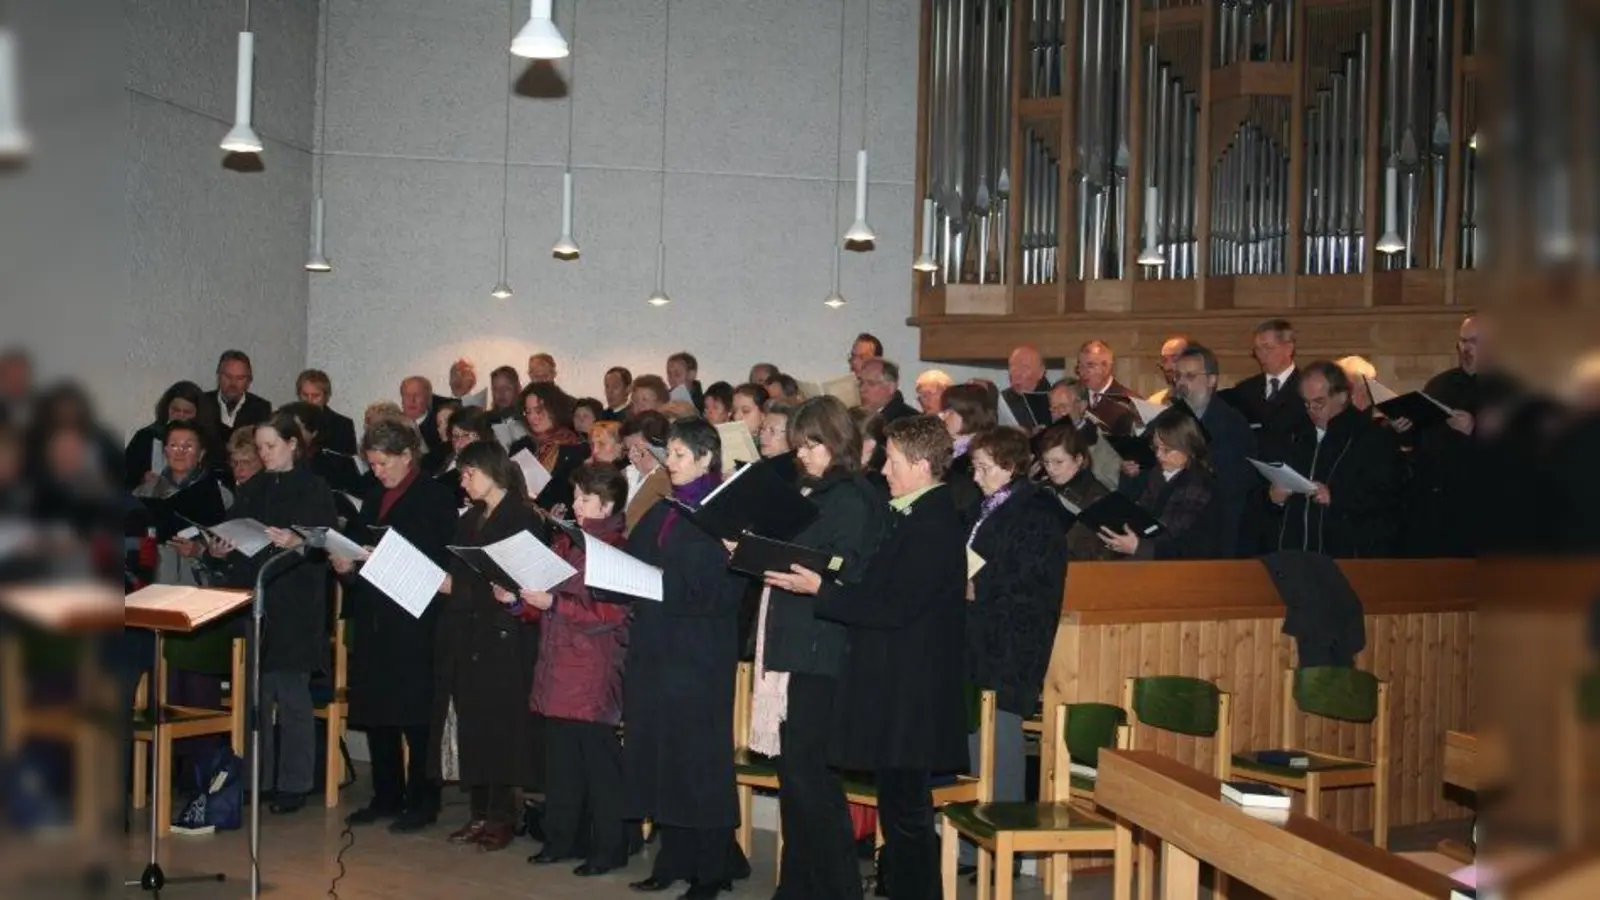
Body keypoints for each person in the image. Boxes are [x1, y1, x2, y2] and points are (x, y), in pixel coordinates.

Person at [764, 415, 968, 900]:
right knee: (901, 811)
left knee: (907, 815)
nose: (884, 469)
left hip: (913, 687)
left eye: (892, 460)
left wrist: (821, 590)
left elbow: (894, 606)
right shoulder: (914, 514)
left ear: (921, 465)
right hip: (901, 682)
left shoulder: (933, 522)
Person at [747, 397, 886, 900]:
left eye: (811, 445)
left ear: (836, 441)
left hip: (821, 646)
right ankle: (798, 886)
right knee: (797, 777)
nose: (801, 454)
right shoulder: (814, 490)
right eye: (799, 445)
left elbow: (852, 566)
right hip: (798, 640)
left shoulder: (852, 495)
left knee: (812, 780)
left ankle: (837, 888)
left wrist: (815, 577)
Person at [623, 418, 751, 898]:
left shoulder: (725, 513)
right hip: (657, 646)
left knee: (699, 761)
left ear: (705, 458)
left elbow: (725, 591)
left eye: (678, 455)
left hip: (699, 653)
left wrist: (662, 584)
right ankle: (673, 857)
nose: (670, 462)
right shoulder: (666, 507)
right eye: (669, 453)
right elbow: (635, 557)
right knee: (662, 755)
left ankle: (713, 869)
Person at [204, 410, 335, 814]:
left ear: (293, 444)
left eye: (271, 446)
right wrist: (218, 549)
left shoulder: (314, 488)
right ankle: (255, 779)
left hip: (295, 603)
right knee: (254, 696)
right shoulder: (254, 487)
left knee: (291, 696)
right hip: (255, 598)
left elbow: (325, 542)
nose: (264, 454)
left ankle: (294, 784)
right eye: (259, 447)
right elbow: (233, 531)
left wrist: (298, 541)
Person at [502, 463, 632, 874]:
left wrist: (553, 604)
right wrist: (516, 601)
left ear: (607, 506)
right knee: (560, 763)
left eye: (585, 499)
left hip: (592, 669)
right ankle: (561, 839)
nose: (575, 505)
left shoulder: (617, 550)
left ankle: (609, 847)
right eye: (576, 496)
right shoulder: (566, 542)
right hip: (557, 663)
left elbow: (611, 614)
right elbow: (544, 605)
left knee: (598, 766)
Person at [334, 416, 457, 832]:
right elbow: (358, 547)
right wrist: (346, 566)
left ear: (407, 456)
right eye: (371, 464)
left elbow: (440, 559)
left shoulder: (435, 497)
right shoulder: (372, 496)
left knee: (416, 714)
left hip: (415, 618)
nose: (377, 472)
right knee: (378, 710)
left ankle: (423, 800)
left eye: (383, 463)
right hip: (375, 616)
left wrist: (386, 555)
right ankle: (385, 795)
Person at [963, 426, 1068, 865]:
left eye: (984, 467)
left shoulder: (1035, 511)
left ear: (1009, 466)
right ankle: (972, 845)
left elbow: (1032, 582)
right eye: (974, 467)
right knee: (976, 741)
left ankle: (1003, 847)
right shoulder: (987, 506)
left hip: (1011, 645)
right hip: (979, 638)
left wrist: (977, 585)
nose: (976, 476)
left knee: (1002, 744)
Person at [431, 440, 542, 850]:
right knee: (473, 724)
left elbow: (521, 582)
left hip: (503, 634)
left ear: (492, 471)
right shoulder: (472, 518)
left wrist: (457, 588)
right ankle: (479, 813)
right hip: (468, 630)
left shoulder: (523, 517)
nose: (463, 482)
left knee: (501, 727)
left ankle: (502, 815)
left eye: (469, 473)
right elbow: (460, 570)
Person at [1268, 361, 1403, 557]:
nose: (1312, 410)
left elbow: (1386, 496)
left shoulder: (1370, 436)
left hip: (1348, 553)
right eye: (1306, 403)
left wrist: (1335, 497)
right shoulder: (1296, 434)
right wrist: (1275, 499)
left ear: (1342, 396)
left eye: (1319, 402)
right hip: (1297, 555)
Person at [1169, 344, 1257, 557]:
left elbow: (1233, 483)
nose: (1181, 383)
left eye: (1190, 376)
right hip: (1176, 527)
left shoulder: (1232, 423)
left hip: (1216, 531)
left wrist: (1188, 463)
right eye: (1178, 376)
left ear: (1212, 380)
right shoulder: (1171, 419)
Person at [1097, 410, 1218, 560]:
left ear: (1187, 448)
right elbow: (1143, 514)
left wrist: (1137, 546)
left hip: (1183, 564)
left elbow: (1173, 539)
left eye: (1166, 450)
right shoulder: (1159, 473)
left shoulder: (1198, 485)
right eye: (1156, 448)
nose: (1158, 455)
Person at [1219, 318, 1309, 454]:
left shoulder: (1307, 388)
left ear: (1288, 348)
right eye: (1257, 349)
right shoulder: (1246, 389)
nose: (1261, 355)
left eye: (1267, 348)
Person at [1037, 423, 1116, 560]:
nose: (1050, 469)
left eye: (1058, 462)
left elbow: (1095, 554)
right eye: (1046, 462)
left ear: (1078, 459)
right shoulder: (1041, 490)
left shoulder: (1099, 499)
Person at [508, 383, 589, 512]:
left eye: (538, 411)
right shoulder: (521, 446)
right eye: (528, 412)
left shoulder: (576, 448)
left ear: (554, 410)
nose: (533, 417)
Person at [123, 380, 206, 490]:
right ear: (166, 409)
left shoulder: (208, 441)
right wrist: (142, 480)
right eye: (175, 410)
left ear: (198, 414)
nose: (180, 416)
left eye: (187, 412)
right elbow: (124, 479)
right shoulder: (146, 437)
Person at [1046, 379, 1122, 490]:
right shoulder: (1046, 438)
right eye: (1053, 409)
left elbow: (1110, 484)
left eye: (1063, 407)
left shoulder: (1100, 442)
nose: (1057, 414)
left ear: (1082, 406)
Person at [936, 383, 994, 525]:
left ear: (969, 414)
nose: (942, 416)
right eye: (943, 410)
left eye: (950, 412)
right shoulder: (945, 447)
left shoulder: (983, 452)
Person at [197, 349, 271, 442]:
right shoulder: (201, 403)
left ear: (249, 380)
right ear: (218, 376)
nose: (233, 383)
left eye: (240, 378)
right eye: (228, 376)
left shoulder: (261, 408)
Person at [621, 411, 672, 535]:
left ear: (658, 448)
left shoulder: (668, 483)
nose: (631, 456)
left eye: (638, 449)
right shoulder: (624, 474)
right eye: (628, 449)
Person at [1074, 340, 1140, 435]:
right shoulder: (1074, 397)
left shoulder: (1130, 402)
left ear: (1107, 367)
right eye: (1080, 366)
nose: (1083, 372)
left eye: (1090, 366)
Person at [295, 369, 359, 456]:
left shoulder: (342, 425)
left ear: (326, 397)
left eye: (315, 396)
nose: (309, 401)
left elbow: (347, 461)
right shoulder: (288, 421)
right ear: (299, 395)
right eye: (305, 395)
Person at [400, 375, 448, 470]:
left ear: (428, 398)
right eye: (407, 395)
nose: (412, 400)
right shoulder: (395, 427)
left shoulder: (441, 424)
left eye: (417, 395)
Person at [1001, 344, 1053, 426]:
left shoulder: (1053, 401)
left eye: (1024, 367)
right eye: (1013, 366)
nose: (1017, 373)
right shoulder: (1001, 401)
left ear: (1041, 372)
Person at [858, 358, 918, 424]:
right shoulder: (854, 417)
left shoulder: (911, 422)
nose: (862, 389)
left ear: (891, 387)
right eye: (861, 382)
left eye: (871, 383)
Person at [1146, 335, 1190, 405]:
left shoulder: (1207, 400)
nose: (1167, 367)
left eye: (1175, 359)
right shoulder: (1155, 402)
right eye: (1164, 360)